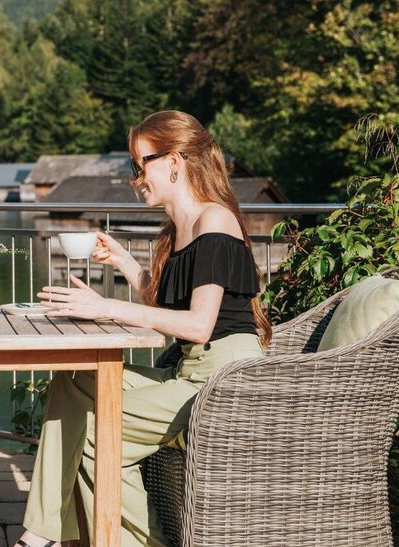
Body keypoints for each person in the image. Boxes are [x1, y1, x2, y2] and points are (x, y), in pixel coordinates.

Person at [14, 110, 272, 547]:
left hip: (222, 382)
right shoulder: (180, 231)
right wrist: (125, 264)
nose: (136, 179)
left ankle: (126, 541)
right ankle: (47, 532)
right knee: (73, 380)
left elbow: (199, 323)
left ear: (174, 161)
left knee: (98, 434)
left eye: (141, 164)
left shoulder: (215, 221)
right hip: (190, 372)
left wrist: (108, 305)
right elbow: (171, 303)